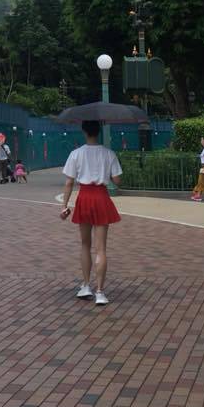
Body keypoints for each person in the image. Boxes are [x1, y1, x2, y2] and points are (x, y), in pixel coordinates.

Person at [59, 120, 122, 306]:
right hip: (101, 197)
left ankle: (86, 286)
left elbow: (69, 182)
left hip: (84, 197)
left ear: (84, 131)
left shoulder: (76, 154)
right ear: (99, 131)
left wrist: (64, 206)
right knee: (101, 248)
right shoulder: (109, 153)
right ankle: (100, 292)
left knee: (85, 244)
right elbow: (117, 181)